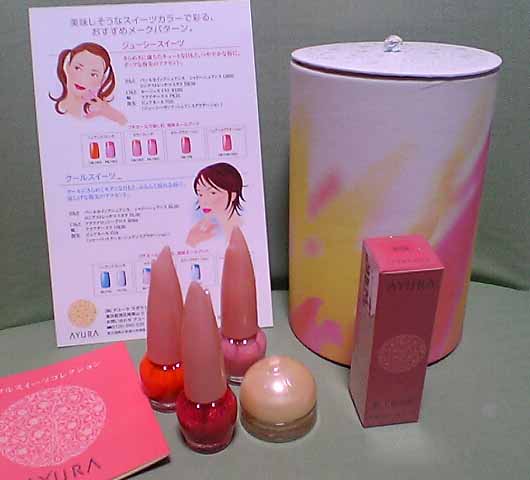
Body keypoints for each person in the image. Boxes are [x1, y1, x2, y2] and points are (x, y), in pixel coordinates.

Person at [49, 42, 127, 125]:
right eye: (77, 68)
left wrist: (109, 112)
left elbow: (124, 123)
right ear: (68, 66)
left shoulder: (103, 112)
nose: (83, 79)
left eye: (93, 74)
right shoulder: (49, 109)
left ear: (102, 79)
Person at [186, 163, 245, 247]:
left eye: (212, 193)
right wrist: (190, 243)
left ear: (233, 195)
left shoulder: (243, 229)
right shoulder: (206, 231)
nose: (204, 201)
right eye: (200, 194)